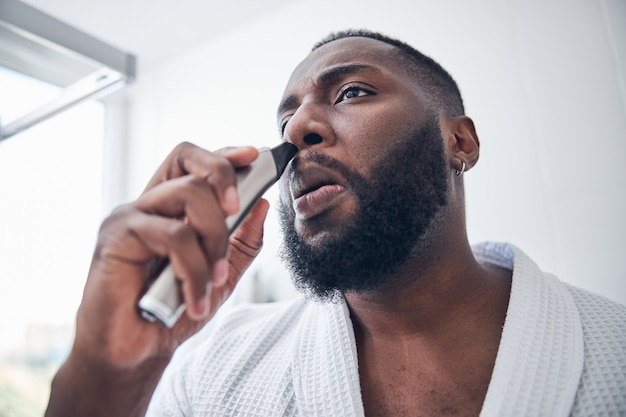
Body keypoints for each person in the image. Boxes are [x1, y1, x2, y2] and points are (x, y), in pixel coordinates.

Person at [45, 29, 625, 417]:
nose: (297, 131)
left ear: (460, 141)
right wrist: (103, 372)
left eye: (351, 92)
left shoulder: (615, 352)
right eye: (286, 117)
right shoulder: (213, 370)